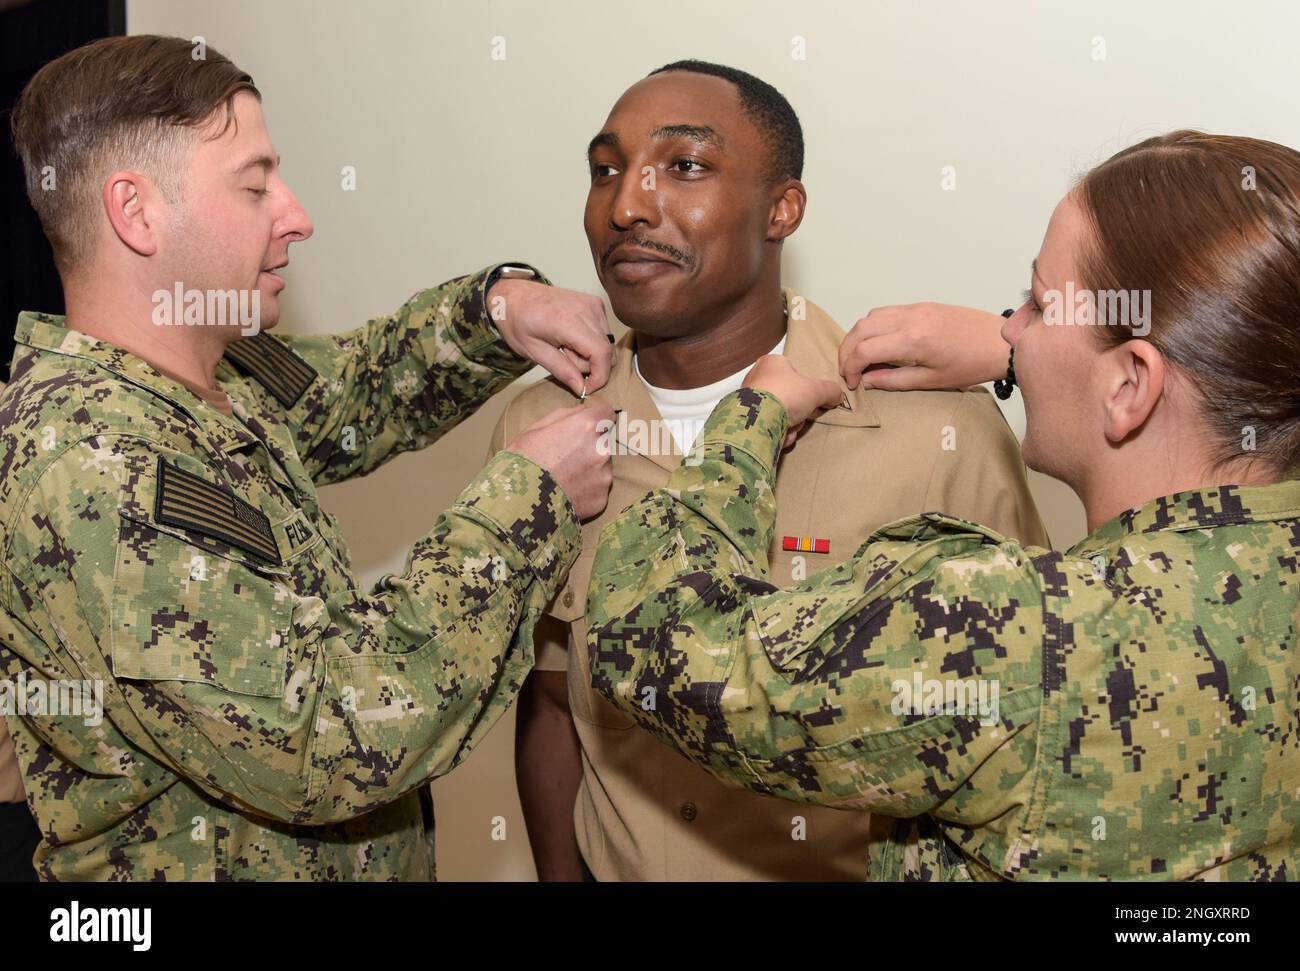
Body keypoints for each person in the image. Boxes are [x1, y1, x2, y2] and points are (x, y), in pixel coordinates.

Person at [585, 130, 1300, 880]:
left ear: (1128, 386)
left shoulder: (1013, 633)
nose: (1009, 325)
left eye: (1036, 304)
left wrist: (749, 419)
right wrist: (1015, 348)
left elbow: (647, 631)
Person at [0, 35, 615, 881]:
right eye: (254, 185)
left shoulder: (216, 376)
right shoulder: (90, 468)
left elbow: (360, 388)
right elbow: (327, 731)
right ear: (135, 212)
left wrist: (495, 307)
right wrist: (526, 503)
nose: (296, 213)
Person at [492, 60, 1048, 882]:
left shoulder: (936, 429)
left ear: (782, 208)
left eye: (685, 166)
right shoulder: (543, 429)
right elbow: (548, 700)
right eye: (605, 169)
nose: (627, 204)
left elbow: (1035, 729)